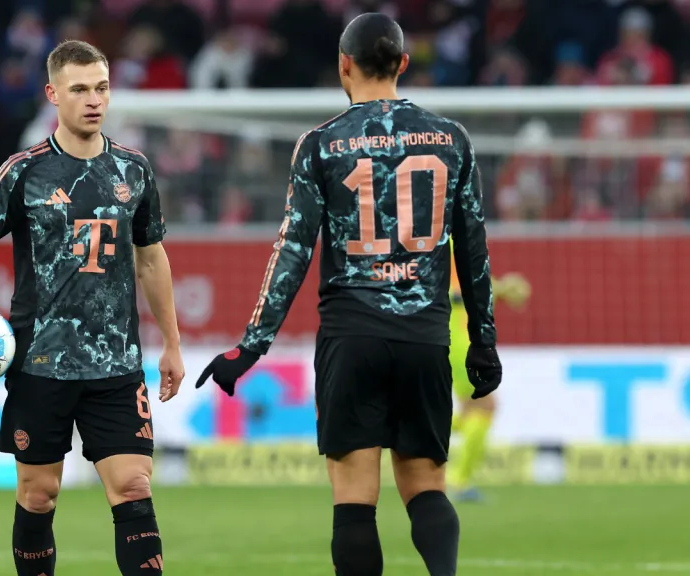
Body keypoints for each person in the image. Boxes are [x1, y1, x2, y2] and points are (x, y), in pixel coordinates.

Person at [195, 13, 501, 576]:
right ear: (403, 64)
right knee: (426, 486)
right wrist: (483, 341)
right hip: (425, 336)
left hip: (351, 337)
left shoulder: (321, 145)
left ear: (343, 65)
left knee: (355, 499)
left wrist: (251, 346)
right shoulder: (451, 140)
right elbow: (474, 249)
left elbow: (292, 251)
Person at [0, 40, 184, 576]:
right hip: (41, 363)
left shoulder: (134, 170)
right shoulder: (23, 172)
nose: (94, 100)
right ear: (53, 94)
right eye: (80, 89)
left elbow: (152, 259)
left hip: (116, 363)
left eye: (102, 88)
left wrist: (172, 344)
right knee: (39, 495)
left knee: (133, 486)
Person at [447, 250, 530, 502]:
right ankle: (459, 482)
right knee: (483, 407)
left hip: (457, 336)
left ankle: (411, 427)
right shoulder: (448, 240)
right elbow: (456, 292)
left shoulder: (453, 240)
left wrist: (500, 289)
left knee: (473, 410)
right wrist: (500, 287)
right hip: (459, 338)